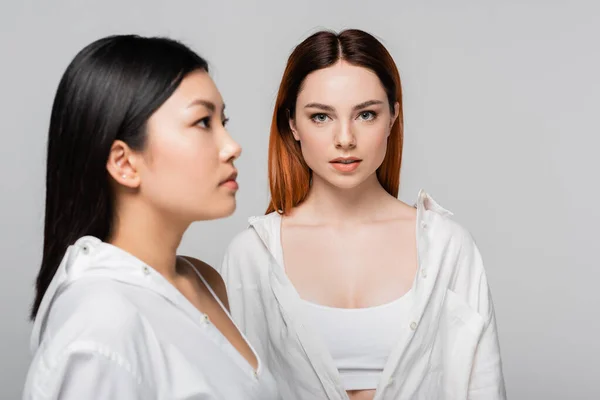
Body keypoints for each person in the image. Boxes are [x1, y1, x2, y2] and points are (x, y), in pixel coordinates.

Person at [219, 29, 506, 400]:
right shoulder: (251, 257)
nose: (345, 138)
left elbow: (482, 386)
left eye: (366, 114)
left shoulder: (448, 248)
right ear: (292, 124)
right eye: (321, 117)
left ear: (392, 117)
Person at [23, 35, 279, 400]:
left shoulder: (204, 281)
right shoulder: (100, 324)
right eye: (203, 122)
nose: (232, 146)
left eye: (223, 121)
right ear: (125, 163)